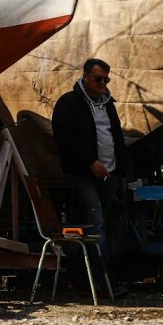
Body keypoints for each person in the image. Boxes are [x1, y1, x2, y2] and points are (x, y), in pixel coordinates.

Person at [51, 58, 128, 283]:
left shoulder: (107, 104)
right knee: (97, 225)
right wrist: (89, 162)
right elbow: (64, 139)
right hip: (83, 175)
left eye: (106, 79)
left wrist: (122, 166)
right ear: (85, 77)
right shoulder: (69, 103)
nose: (102, 83)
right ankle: (104, 280)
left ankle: (82, 278)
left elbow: (115, 136)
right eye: (97, 79)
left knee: (99, 225)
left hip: (109, 174)